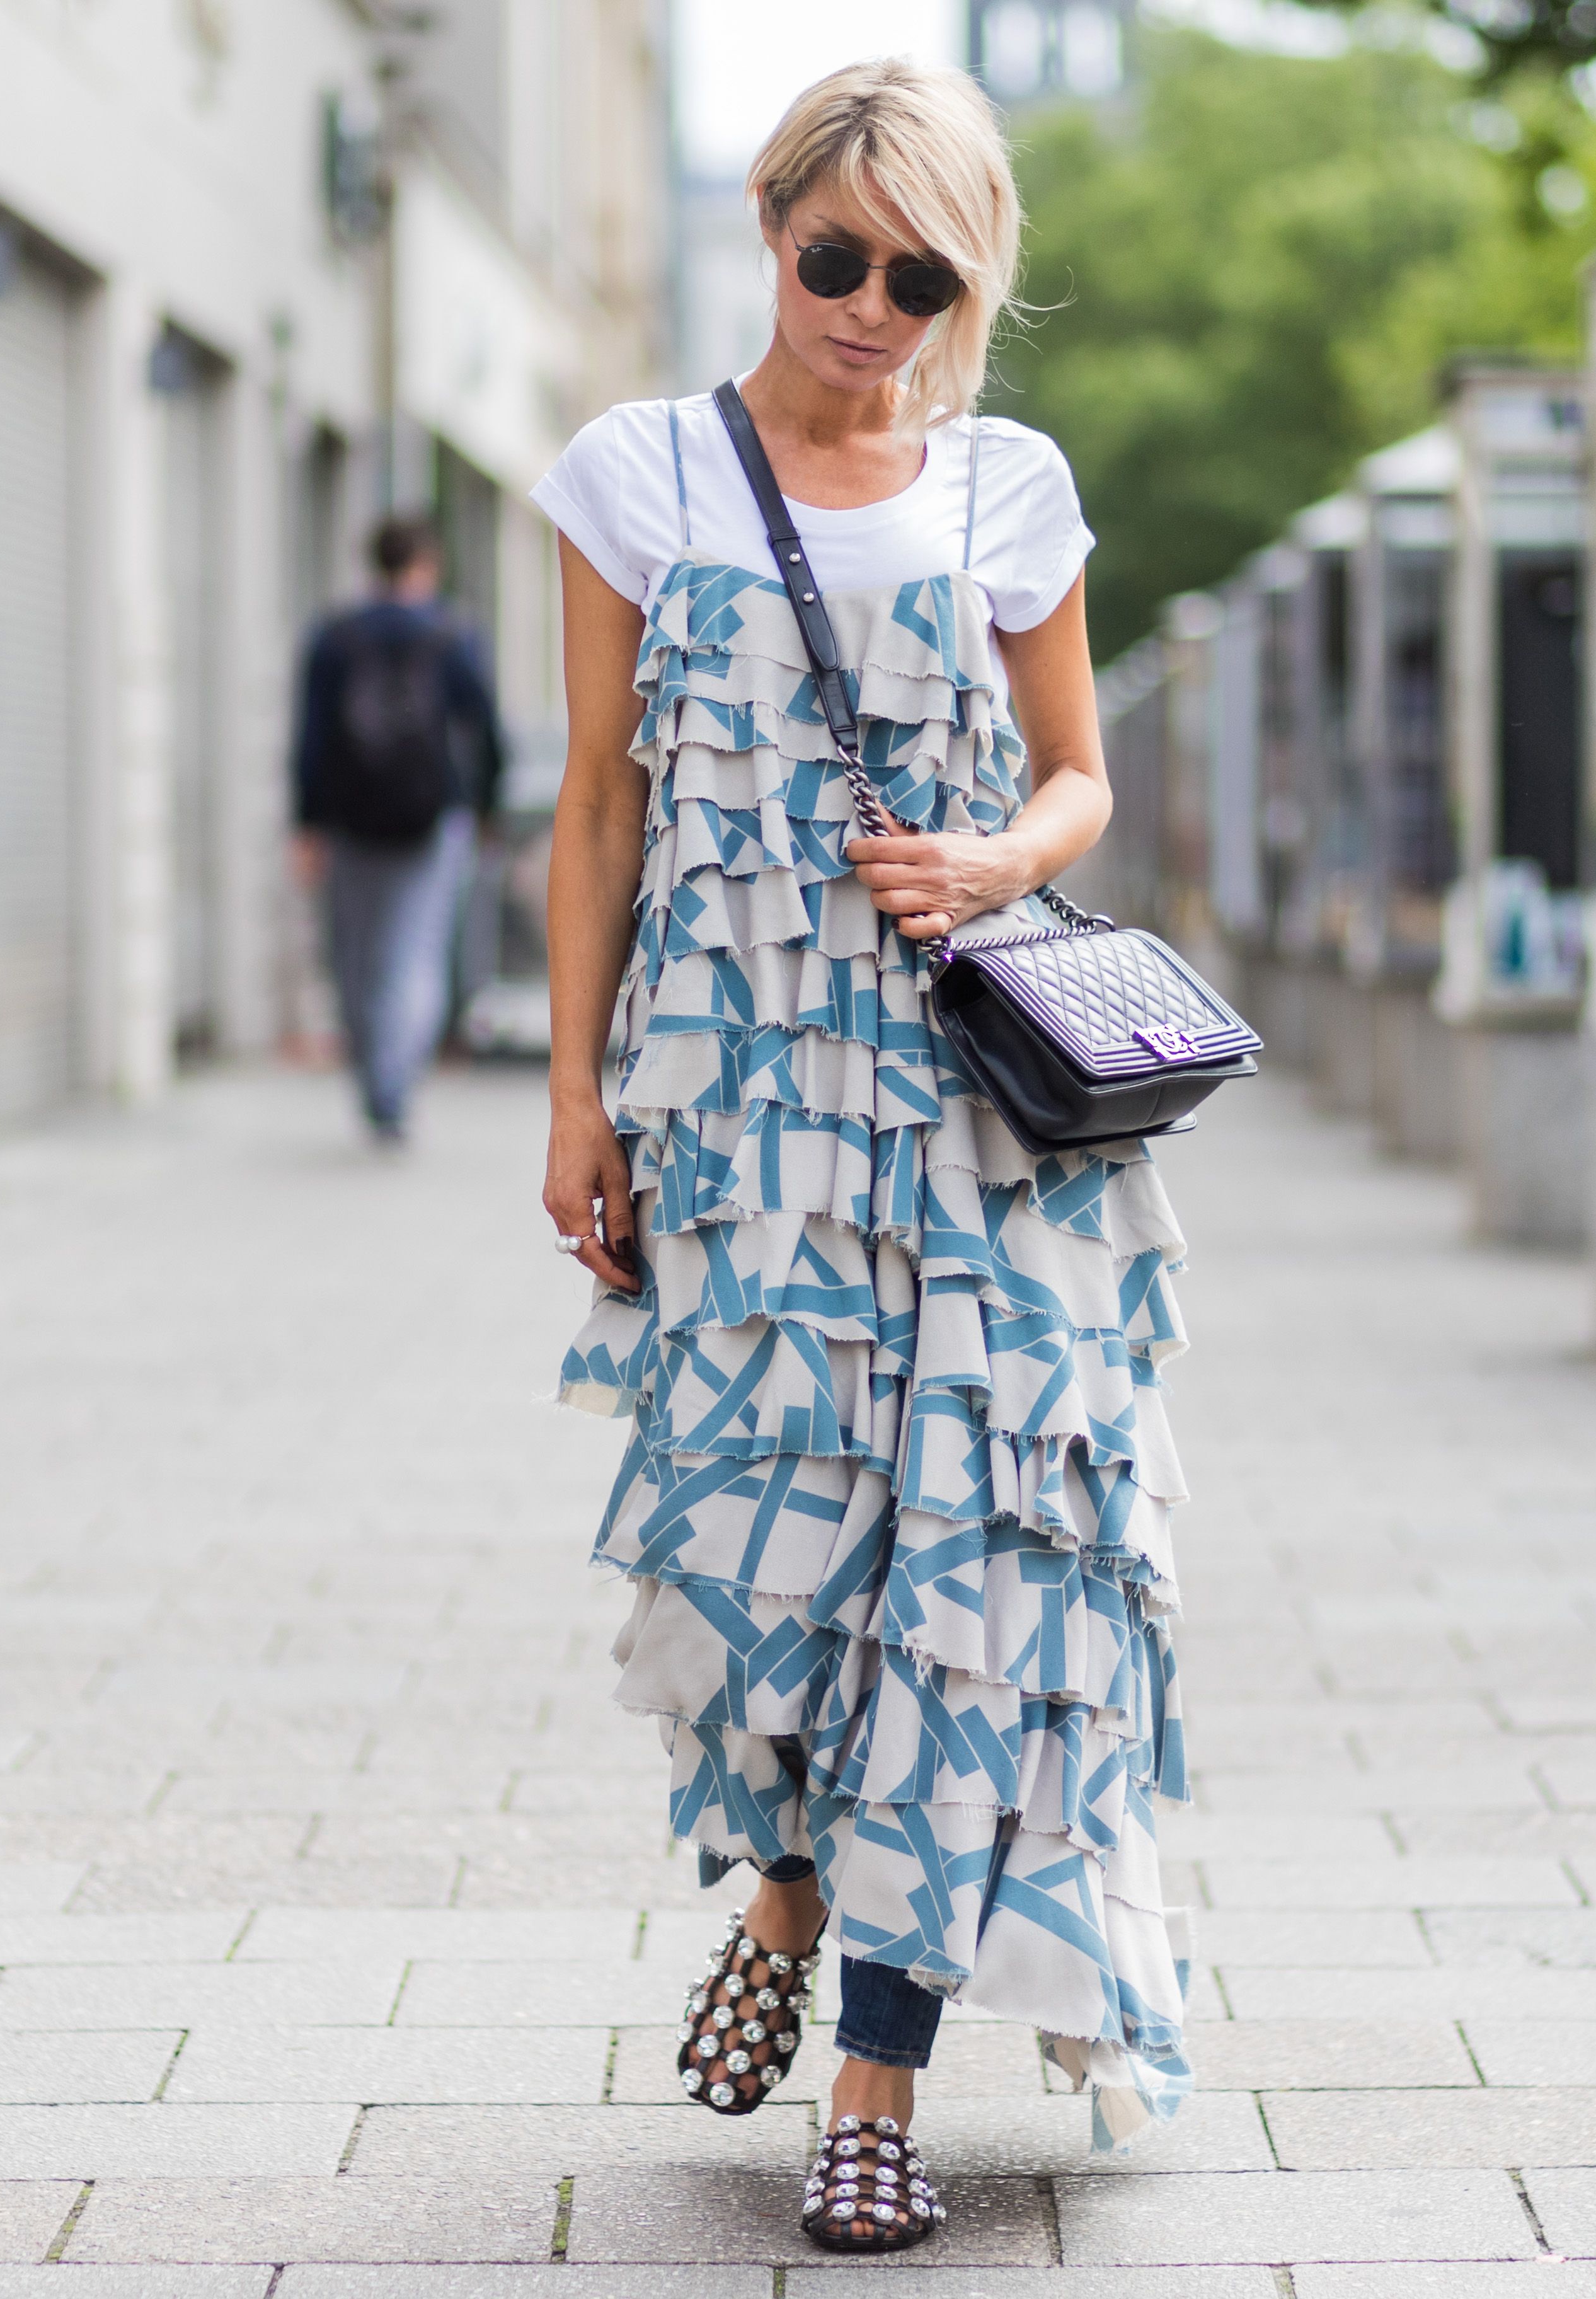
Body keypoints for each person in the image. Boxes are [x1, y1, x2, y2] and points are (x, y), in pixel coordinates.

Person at [531, 59, 1191, 2254]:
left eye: (925, 275)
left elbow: (1081, 773)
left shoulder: (1010, 480)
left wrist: (1001, 852)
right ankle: (790, 1887)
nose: (874, 308)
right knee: (766, 1570)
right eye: (841, 257)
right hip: (740, 1123)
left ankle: (877, 2087)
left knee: (970, 1585)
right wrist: (573, 1101)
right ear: (772, 221)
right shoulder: (642, 475)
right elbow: (599, 813)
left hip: (980, 1129)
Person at [289, 517, 503, 1144]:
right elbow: (485, 729)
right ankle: (396, 1084)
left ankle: (372, 1082)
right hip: (431, 819)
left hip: (350, 820)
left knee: (355, 956)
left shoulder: (333, 637)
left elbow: (310, 738)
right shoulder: (451, 634)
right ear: (426, 566)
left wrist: (307, 823)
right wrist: (486, 806)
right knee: (415, 951)